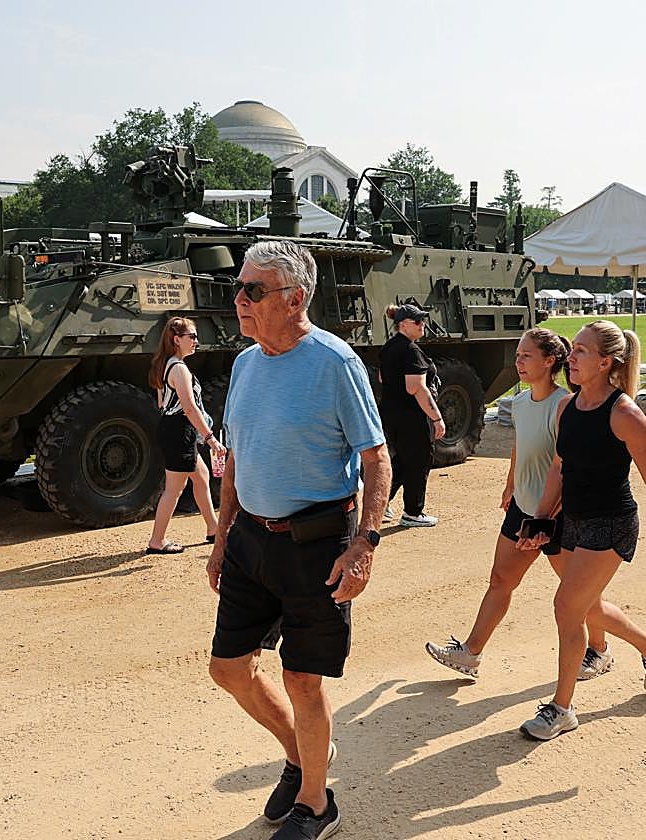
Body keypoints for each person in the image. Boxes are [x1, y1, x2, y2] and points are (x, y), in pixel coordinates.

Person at [206, 240, 389, 840]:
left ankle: (316, 804)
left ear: (295, 298)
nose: (240, 299)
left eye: (253, 290)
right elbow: (236, 456)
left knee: (302, 680)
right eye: (240, 287)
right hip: (250, 542)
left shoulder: (335, 363)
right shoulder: (245, 363)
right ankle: (301, 754)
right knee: (229, 668)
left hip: (316, 543)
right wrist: (222, 533)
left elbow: (375, 457)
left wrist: (364, 544)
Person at [516, 319, 646, 740]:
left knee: (567, 606)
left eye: (581, 351)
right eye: (573, 349)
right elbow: (559, 469)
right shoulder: (568, 406)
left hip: (612, 524)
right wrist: (542, 519)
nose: (572, 357)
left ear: (606, 362)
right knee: (588, 606)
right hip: (574, 522)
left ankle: (561, 708)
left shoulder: (625, 415)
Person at [425, 327, 613, 681]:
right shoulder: (521, 403)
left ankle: (604, 650)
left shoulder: (565, 405)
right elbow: (521, 444)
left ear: (549, 361)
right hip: (523, 507)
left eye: (527, 356)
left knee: (579, 596)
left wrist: (549, 516)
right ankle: (471, 653)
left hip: (556, 515)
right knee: (500, 579)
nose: (519, 362)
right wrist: (511, 482)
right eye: (517, 356)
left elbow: (567, 464)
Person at [146, 316, 225, 554]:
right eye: (192, 336)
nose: (196, 341)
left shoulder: (166, 364)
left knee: (201, 477)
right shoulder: (179, 369)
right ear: (176, 339)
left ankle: (214, 529)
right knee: (174, 489)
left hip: (175, 428)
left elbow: (163, 403)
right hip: (179, 430)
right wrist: (210, 438)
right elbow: (189, 409)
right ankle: (156, 541)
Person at [377, 303, 444, 528]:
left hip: (392, 415)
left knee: (403, 461)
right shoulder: (410, 350)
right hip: (411, 417)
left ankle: (382, 502)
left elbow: (381, 379)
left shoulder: (389, 347)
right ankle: (413, 512)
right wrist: (436, 418)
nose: (422, 324)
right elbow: (416, 388)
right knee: (419, 461)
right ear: (403, 325)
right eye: (418, 321)